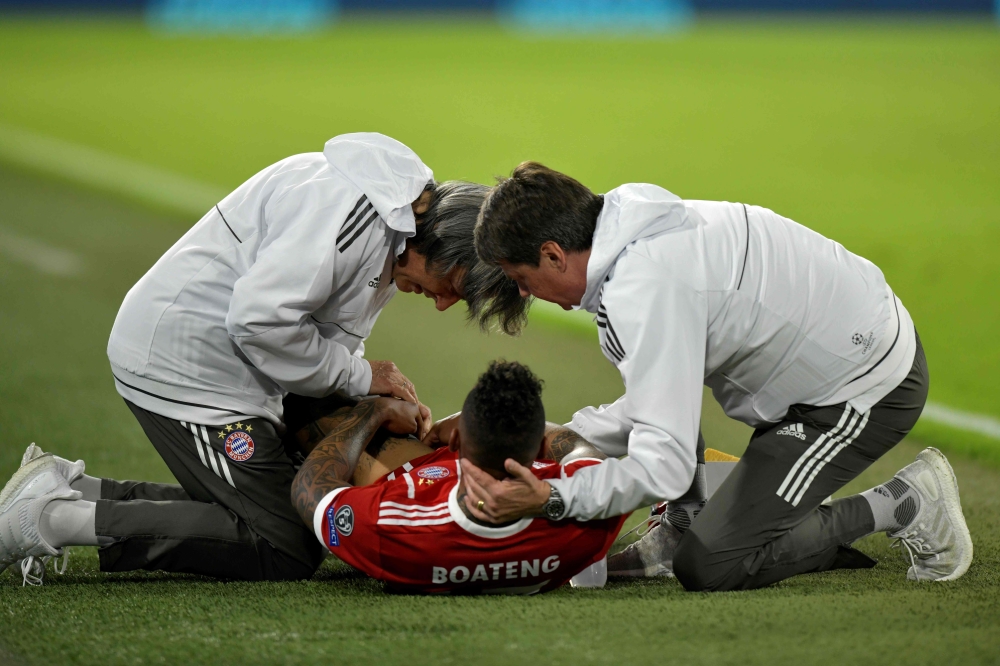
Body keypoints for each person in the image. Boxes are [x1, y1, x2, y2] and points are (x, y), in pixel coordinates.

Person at [0, 151, 522, 584]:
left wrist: (370, 399)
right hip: (187, 369)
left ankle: (71, 490)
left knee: (292, 504)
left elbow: (321, 336)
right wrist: (362, 382)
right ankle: (50, 518)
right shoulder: (353, 218)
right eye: (453, 287)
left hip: (233, 366)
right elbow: (257, 322)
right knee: (284, 544)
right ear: (445, 248)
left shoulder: (389, 228)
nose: (442, 304)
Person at [462, 162, 973, 590]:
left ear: (553, 254)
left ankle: (903, 501)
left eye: (520, 278)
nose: (524, 293)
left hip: (863, 389)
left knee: (712, 564)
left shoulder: (643, 288)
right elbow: (660, 391)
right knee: (684, 453)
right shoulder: (627, 232)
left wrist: (553, 499)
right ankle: (693, 520)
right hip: (828, 363)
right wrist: (571, 434)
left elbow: (666, 464)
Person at [290, 361, 627, 594]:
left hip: (422, 488)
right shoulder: (590, 516)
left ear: (454, 442)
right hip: (524, 505)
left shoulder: (390, 522)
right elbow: (584, 454)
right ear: (536, 447)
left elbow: (310, 489)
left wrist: (375, 410)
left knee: (308, 406)